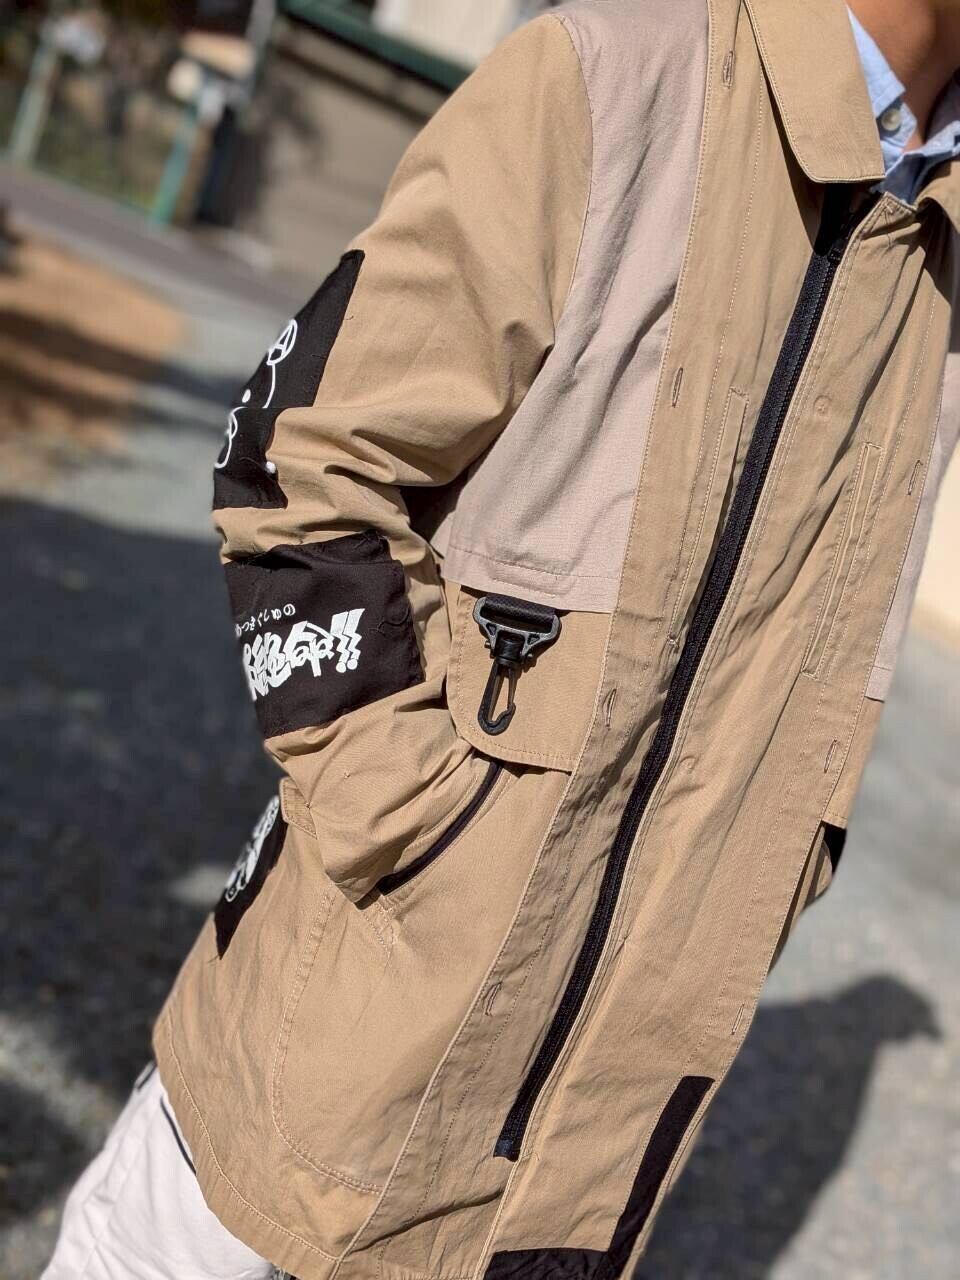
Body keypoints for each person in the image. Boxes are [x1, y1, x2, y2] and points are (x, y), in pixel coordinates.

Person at [44, 2, 960, 1277]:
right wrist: (414, 837)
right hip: (305, 1103)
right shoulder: (613, 76)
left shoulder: (938, 254)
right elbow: (301, 468)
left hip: (571, 1199)